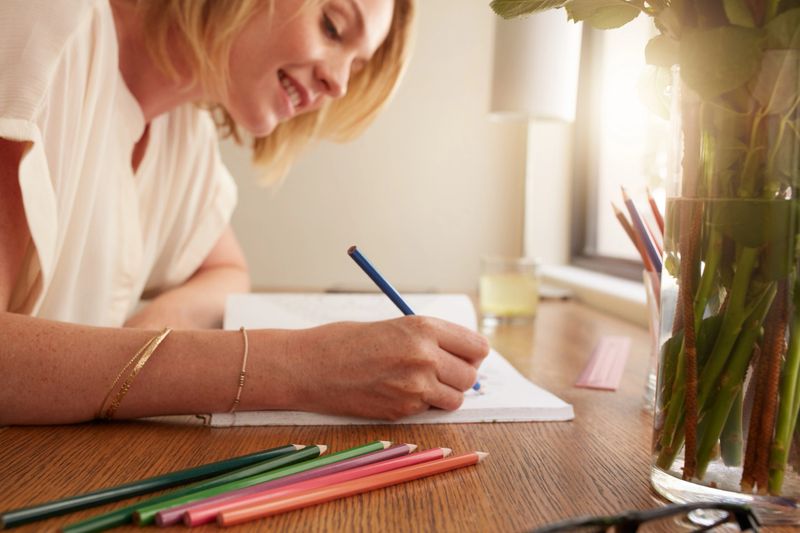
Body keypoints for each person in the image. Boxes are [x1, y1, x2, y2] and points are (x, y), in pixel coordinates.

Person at [0, 0, 489, 425]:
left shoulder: (184, 138)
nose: (337, 83)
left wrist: (161, 325)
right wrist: (297, 368)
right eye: (333, 28)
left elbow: (228, 270)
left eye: (356, 66)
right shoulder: (45, 31)